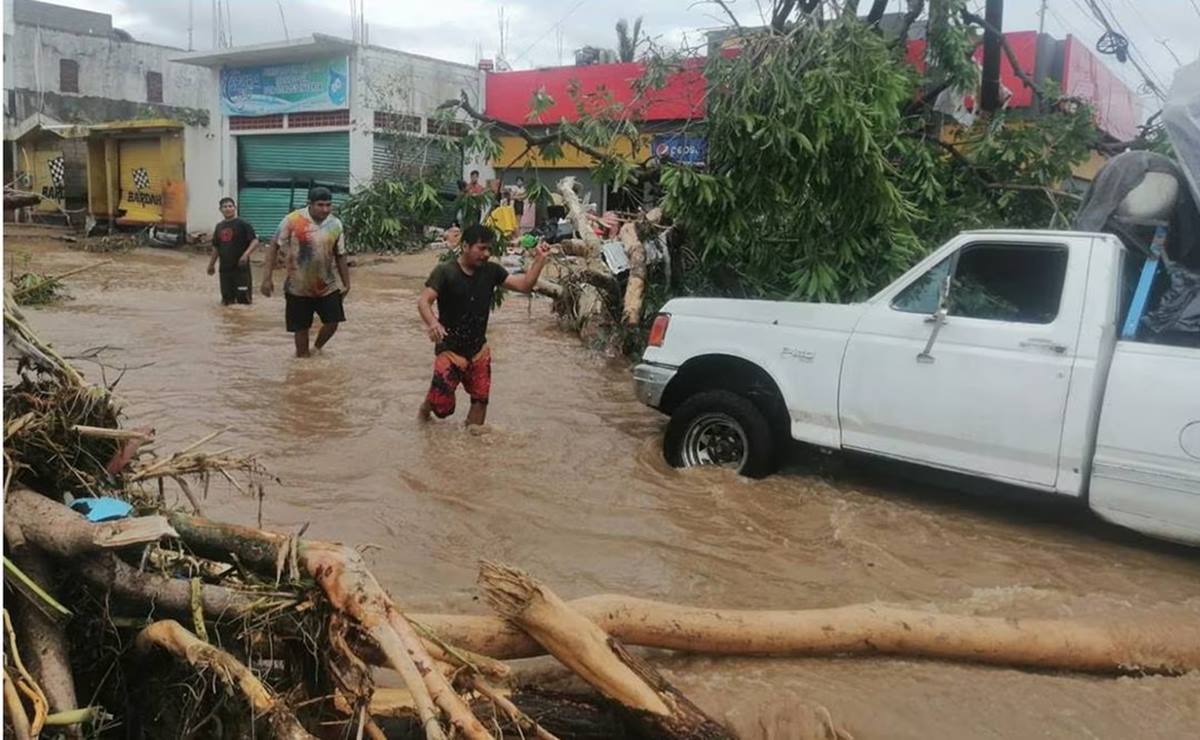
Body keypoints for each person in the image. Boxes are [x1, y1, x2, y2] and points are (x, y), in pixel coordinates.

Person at [417, 224, 550, 425]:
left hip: (478, 350)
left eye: (489, 249)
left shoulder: (492, 271)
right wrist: (433, 323)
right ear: (465, 246)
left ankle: (473, 444)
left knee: (480, 400)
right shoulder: (445, 272)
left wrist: (540, 260)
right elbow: (424, 301)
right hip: (450, 350)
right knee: (442, 409)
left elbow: (524, 286)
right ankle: (428, 406)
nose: (487, 254)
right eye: (481, 248)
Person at [260, 187, 351, 358]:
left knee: (333, 322)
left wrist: (347, 283)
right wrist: (267, 279)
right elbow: (273, 246)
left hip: (326, 285)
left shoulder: (335, 224)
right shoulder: (293, 220)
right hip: (298, 286)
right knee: (301, 329)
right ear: (310, 204)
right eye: (320, 205)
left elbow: (340, 254)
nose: (325, 209)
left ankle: (317, 348)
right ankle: (302, 364)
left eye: (328, 205)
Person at [206, 197, 259, 305]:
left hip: (241, 269)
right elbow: (216, 247)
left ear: (234, 208)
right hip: (225, 269)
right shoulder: (219, 227)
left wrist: (246, 255)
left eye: (230, 206)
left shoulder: (243, 224)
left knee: (243, 300)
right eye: (225, 207)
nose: (227, 209)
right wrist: (211, 265)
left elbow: (255, 241)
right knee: (226, 301)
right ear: (220, 209)